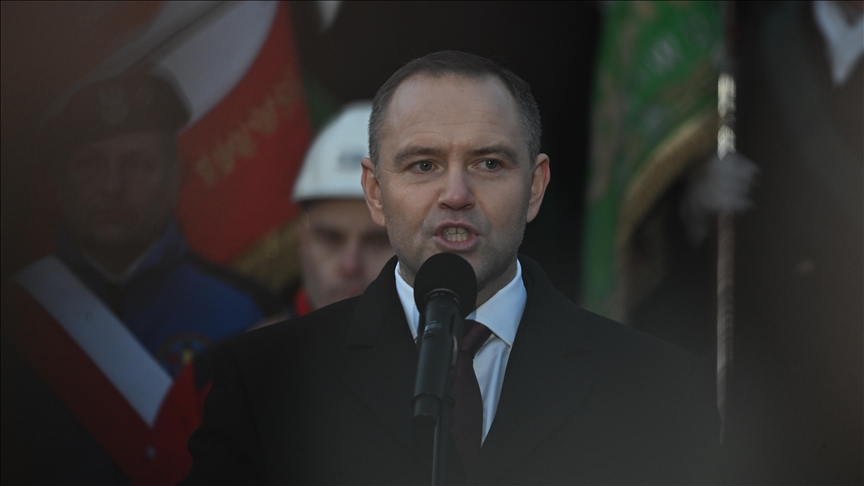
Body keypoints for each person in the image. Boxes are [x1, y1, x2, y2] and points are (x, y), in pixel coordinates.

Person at [183, 51, 720, 485]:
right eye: (424, 165)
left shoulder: (663, 389)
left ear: (534, 187)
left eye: (489, 163)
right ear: (375, 191)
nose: (456, 195)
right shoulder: (265, 383)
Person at [1, 73, 281, 485]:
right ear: (59, 184)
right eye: (90, 164)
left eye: (137, 164)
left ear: (175, 179)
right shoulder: (15, 312)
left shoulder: (249, 308)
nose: (112, 186)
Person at [290, 102, 393, 315]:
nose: (350, 266)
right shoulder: (254, 349)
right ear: (302, 238)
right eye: (330, 238)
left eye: (379, 240)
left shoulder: (466, 346)